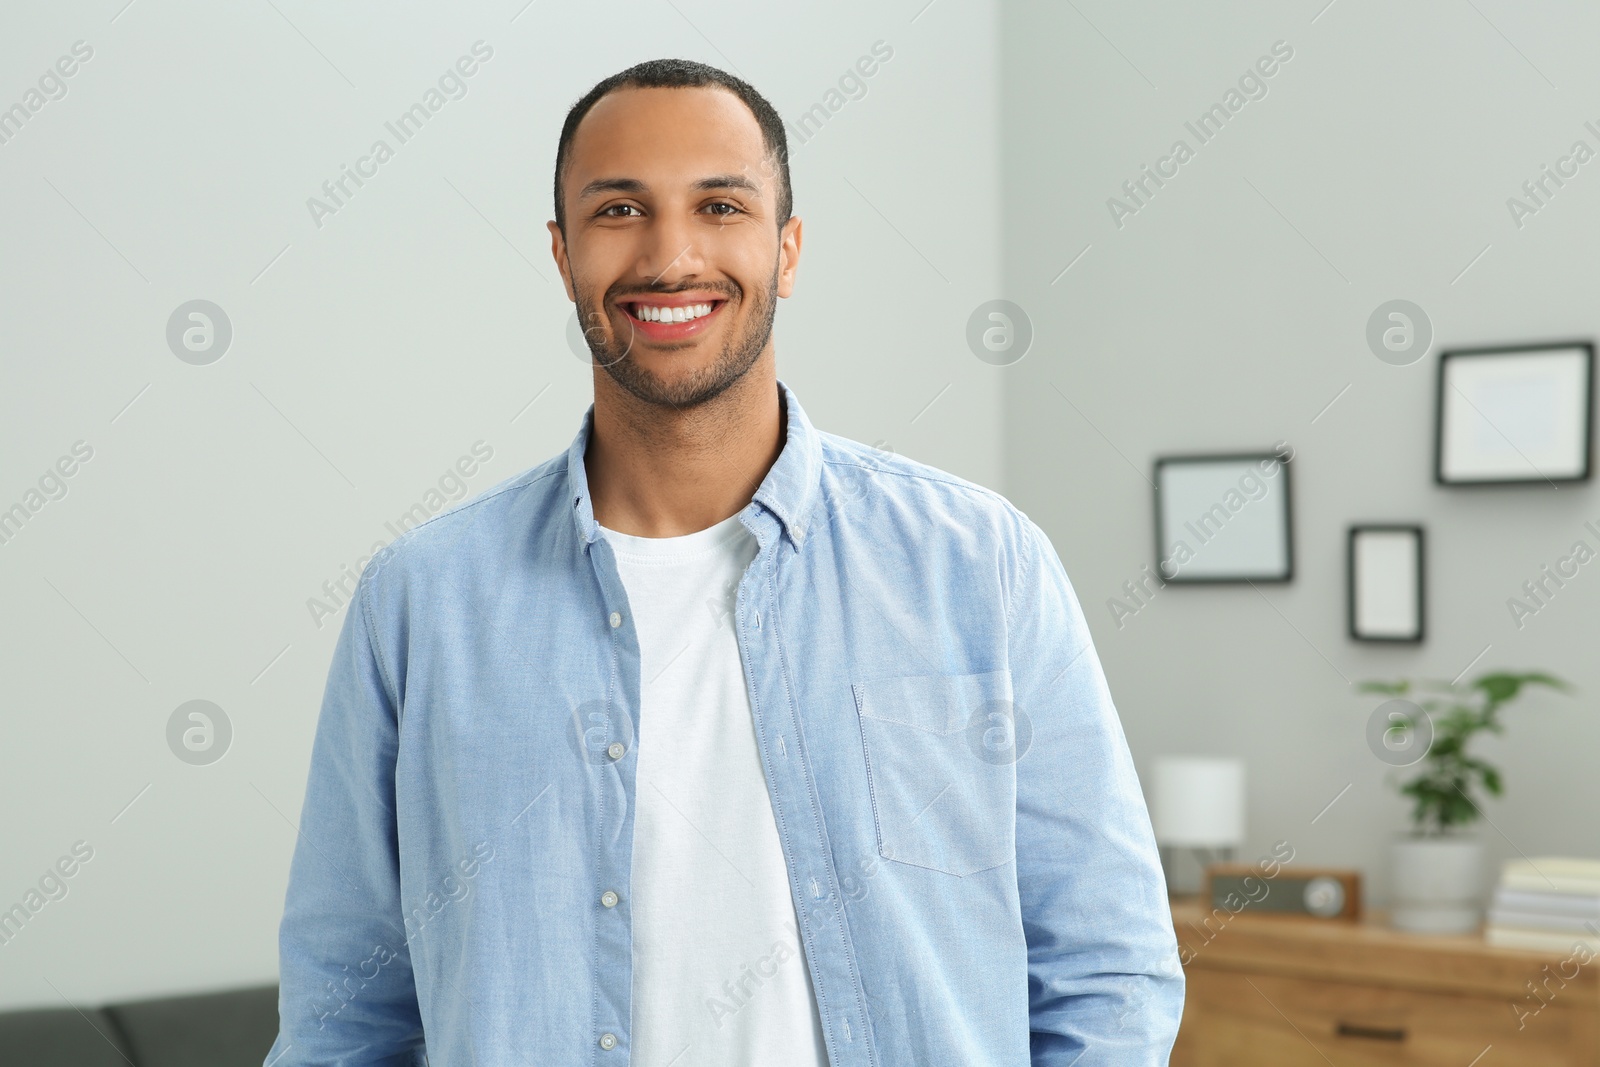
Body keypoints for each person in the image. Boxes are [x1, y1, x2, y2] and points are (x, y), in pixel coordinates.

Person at [266, 57, 1184, 1067]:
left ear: (785, 248)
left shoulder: (980, 565)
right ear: (562, 252)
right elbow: (343, 1013)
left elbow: (1107, 969)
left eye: (720, 205)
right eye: (620, 209)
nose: (671, 256)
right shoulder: (419, 601)